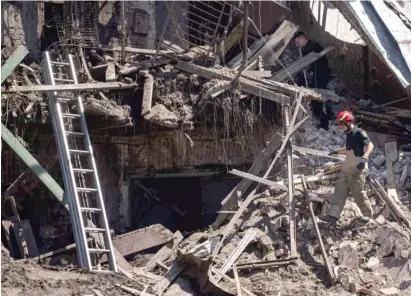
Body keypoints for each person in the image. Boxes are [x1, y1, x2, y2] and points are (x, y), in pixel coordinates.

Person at [319, 111, 374, 225]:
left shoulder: (359, 132)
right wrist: (337, 151)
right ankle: (333, 215)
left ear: (348, 122)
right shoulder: (349, 134)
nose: (339, 126)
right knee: (340, 190)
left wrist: (364, 159)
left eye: (341, 123)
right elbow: (349, 148)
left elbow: (370, 145)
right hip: (347, 166)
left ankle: (367, 215)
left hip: (358, 166)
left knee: (357, 191)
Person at [294, 32, 335, 130]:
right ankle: (330, 114)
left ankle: (324, 122)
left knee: (317, 95)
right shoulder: (312, 46)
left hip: (321, 73)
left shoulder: (313, 46)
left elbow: (307, 54)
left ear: (302, 38)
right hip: (320, 72)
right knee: (322, 92)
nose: (297, 45)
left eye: (297, 42)